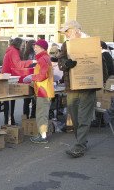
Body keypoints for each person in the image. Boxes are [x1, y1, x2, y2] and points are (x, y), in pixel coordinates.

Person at [57, 20, 97, 157]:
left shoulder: (91, 42)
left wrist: (98, 82)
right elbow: (60, 62)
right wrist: (66, 64)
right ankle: (81, 141)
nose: (66, 34)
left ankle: (79, 146)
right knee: (74, 116)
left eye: (67, 31)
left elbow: (101, 63)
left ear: (76, 30)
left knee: (84, 116)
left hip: (88, 86)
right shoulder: (66, 44)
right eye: (65, 32)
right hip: (72, 87)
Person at [24, 39, 55, 143]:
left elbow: (42, 75)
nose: (34, 48)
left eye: (36, 47)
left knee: (41, 115)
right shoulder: (44, 58)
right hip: (44, 90)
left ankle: (42, 137)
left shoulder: (43, 59)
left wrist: (31, 77)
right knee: (42, 114)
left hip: (43, 91)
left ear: (42, 48)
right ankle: (42, 135)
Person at [2, 37, 36, 124]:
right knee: (10, 101)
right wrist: (31, 61)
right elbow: (18, 64)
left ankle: (10, 121)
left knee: (10, 101)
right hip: (9, 78)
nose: (23, 46)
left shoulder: (11, 50)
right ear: (18, 44)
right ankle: (9, 123)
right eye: (22, 45)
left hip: (7, 77)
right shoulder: (13, 51)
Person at [22, 39, 37, 119]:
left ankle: (29, 116)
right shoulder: (28, 53)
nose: (35, 46)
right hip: (30, 76)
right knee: (29, 99)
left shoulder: (26, 54)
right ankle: (29, 116)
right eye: (33, 45)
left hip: (30, 77)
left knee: (30, 99)